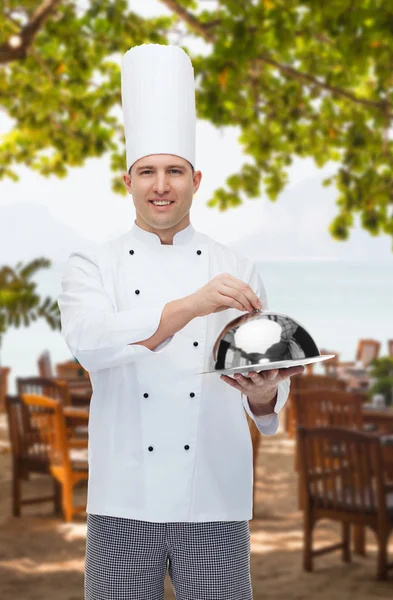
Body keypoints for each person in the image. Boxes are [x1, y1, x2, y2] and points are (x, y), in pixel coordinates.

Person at [57, 43, 304, 600]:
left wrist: (265, 394)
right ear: (127, 181)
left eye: (174, 171)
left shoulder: (237, 268)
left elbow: (263, 398)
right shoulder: (92, 263)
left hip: (214, 499)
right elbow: (91, 343)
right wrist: (190, 305)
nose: (160, 185)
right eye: (147, 172)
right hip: (122, 502)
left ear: (197, 179)